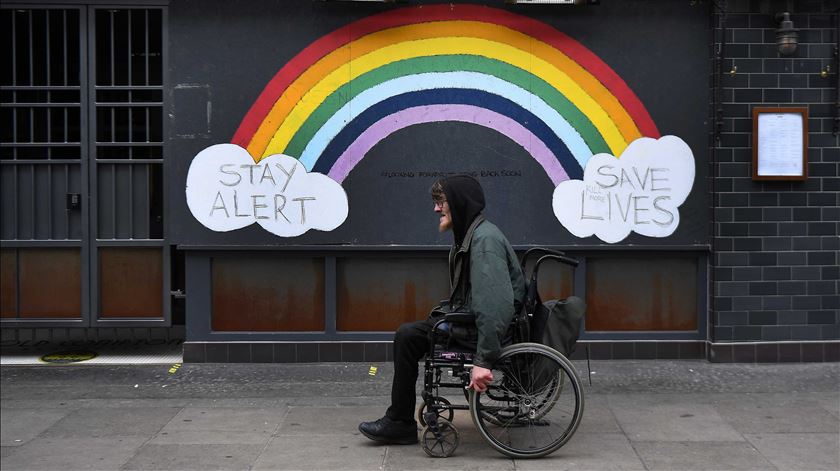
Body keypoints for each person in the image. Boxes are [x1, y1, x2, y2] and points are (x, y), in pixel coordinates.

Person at [358, 175, 526, 445]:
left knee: (408, 336)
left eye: (441, 202)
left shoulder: (483, 242)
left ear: (459, 203)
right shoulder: (473, 235)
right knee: (412, 333)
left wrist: (483, 361)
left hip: (477, 330)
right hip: (471, 320)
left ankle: (400, 422)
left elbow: (494, 306)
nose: (436, 209)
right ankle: (399, 420)